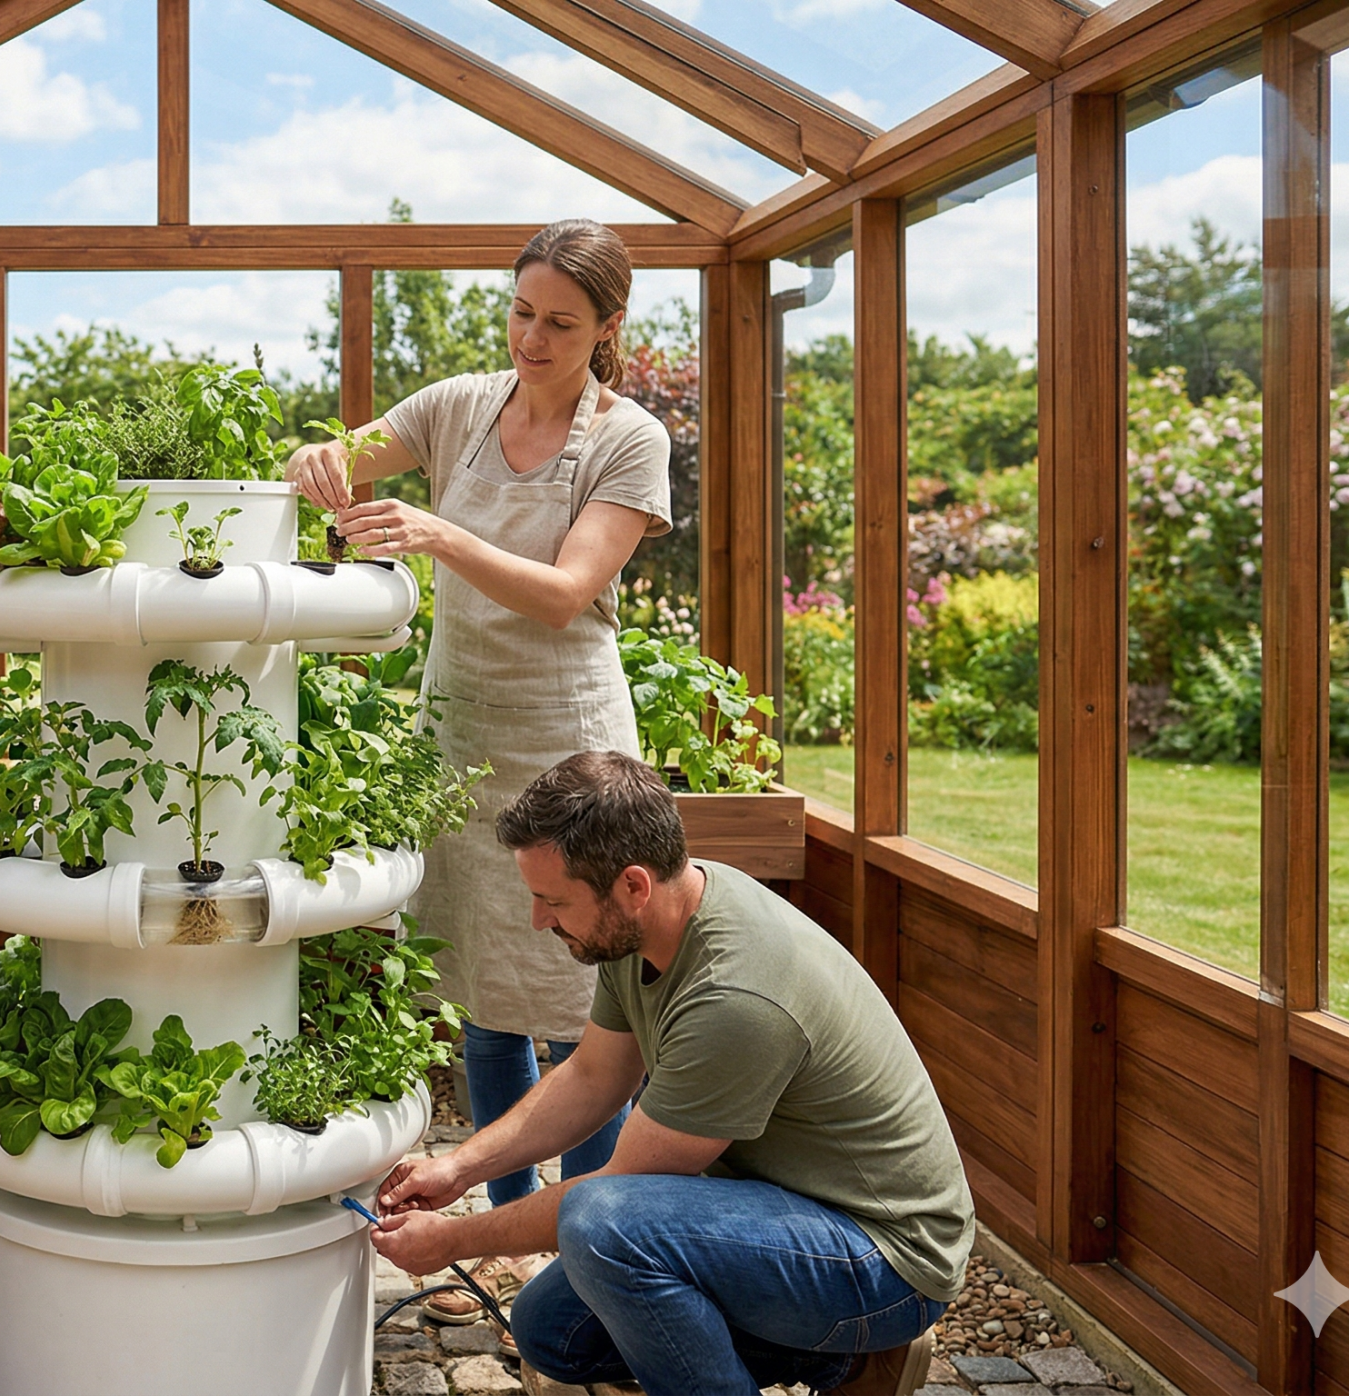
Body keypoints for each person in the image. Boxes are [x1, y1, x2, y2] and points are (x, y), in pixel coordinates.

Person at [287, 217, 673, 1317]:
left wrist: (438, 534)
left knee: (587, 998)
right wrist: (319, 461)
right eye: (519, 311)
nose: (531, 338)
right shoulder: (457, 406)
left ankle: (583, 1237)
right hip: (460, 735)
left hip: (570, 735)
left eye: (560, 321)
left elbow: (563, 592)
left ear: (605, 327)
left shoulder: (628, 438)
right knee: (489, 1001)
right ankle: (507, 1237)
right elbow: (330, 462)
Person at [367, 751, 973, 1396]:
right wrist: (457, 1169)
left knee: (602, 1227)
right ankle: (842, 1363)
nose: (538, 920)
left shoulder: (735, 996)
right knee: (551, 1331)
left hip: (882, 1260)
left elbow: (620, 1193)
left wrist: (451, 1241)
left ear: (632, 885)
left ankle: (851, 1339)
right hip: (784, 1218)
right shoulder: (648, 924)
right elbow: (594, 1076)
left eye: (552, 900)